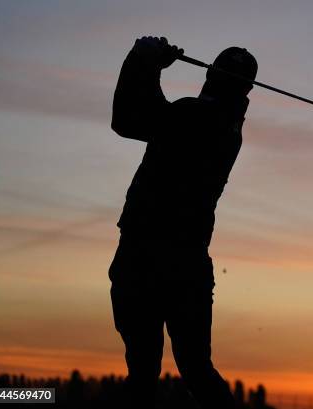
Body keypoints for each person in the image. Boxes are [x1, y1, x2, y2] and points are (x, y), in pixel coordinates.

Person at [108, 36, 257, 408]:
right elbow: (147, 116)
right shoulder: (227, 127)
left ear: (209, 75)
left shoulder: (192, 115)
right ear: (246, 91)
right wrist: (149, 66)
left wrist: (144, 60)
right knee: (196, 370)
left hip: (145, 256)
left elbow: (127, 119)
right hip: (187, 263)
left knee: (143, 373)